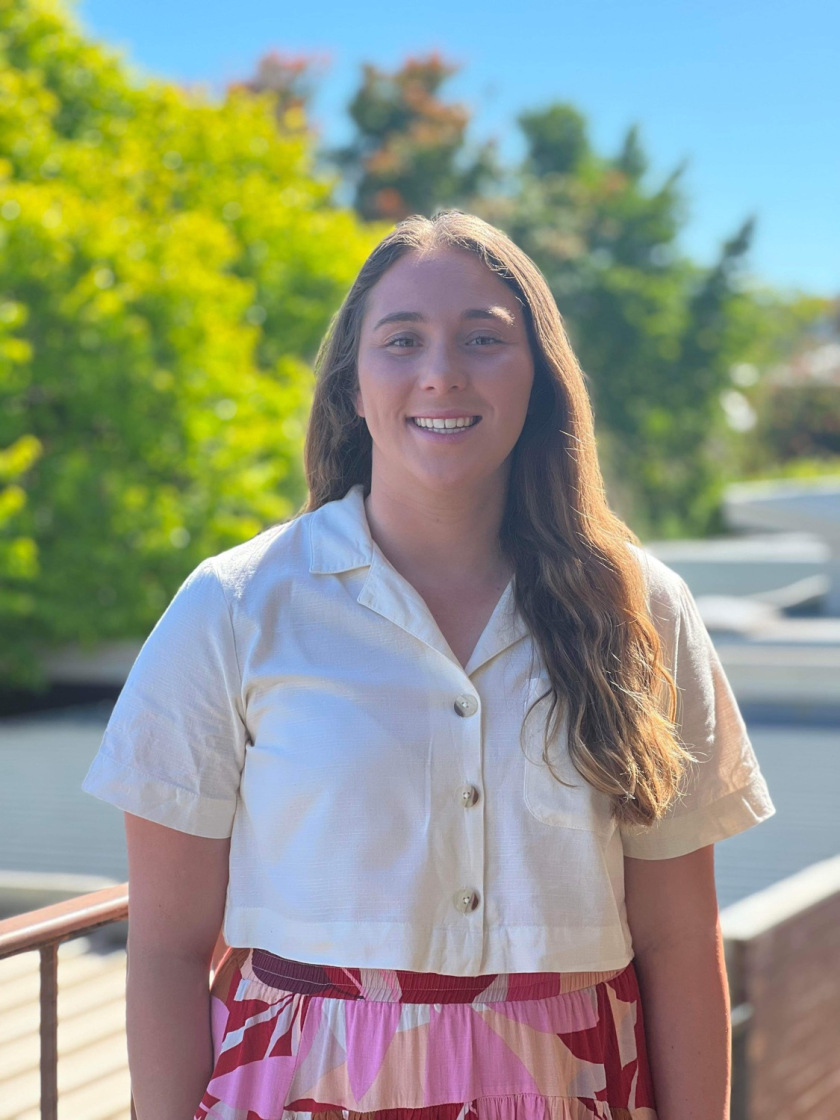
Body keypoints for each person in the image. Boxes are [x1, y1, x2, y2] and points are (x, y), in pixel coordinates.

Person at [83, 210, 775, 1120]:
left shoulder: (641, 610)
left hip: (575, 1082)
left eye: (484, 339)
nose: (442, 371)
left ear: (539, 379)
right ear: (353, 387)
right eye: (402, 340)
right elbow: (169, 949)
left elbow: (681, 941)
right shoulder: (236, 605)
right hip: (297, 1087)